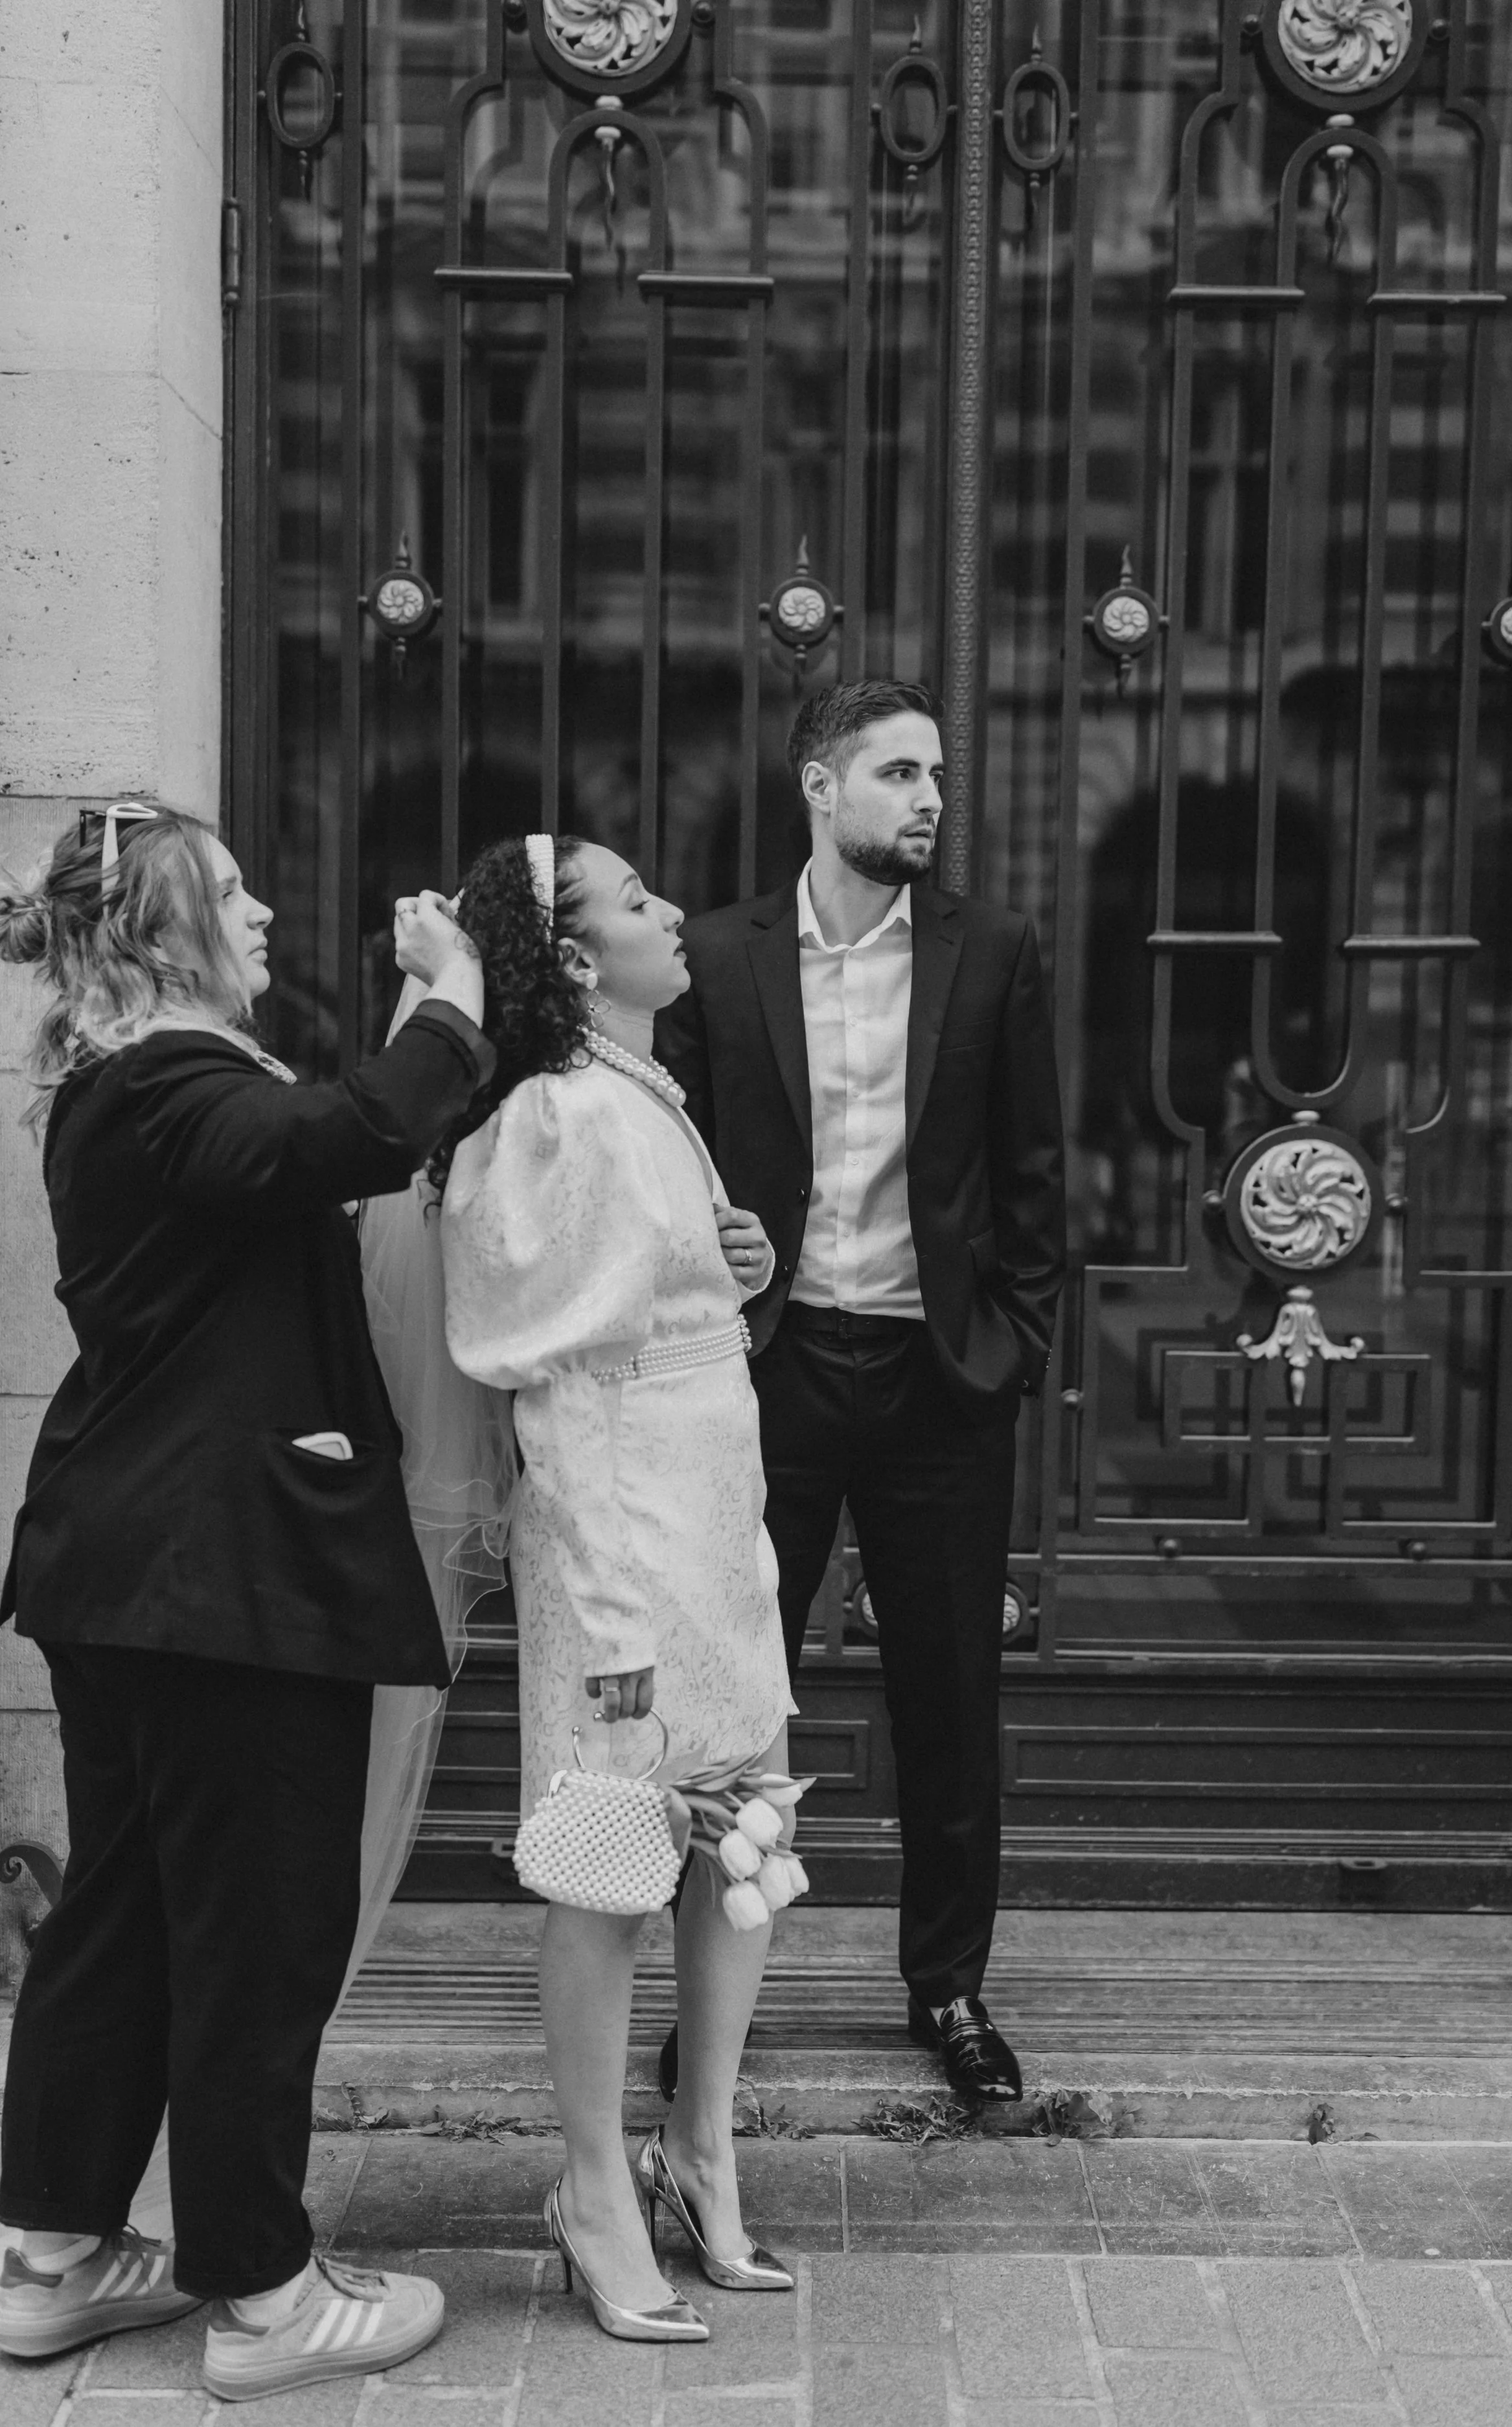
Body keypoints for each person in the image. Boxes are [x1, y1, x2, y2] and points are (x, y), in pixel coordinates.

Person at [0, 804, 494, 2401]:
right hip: (221, 1579)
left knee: (128, 1914)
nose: (266, 911)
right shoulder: (164, 1085)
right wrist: (451, 997)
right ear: (158, 933)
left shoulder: (128, 1085)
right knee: (255, 1932)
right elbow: (339, 1141)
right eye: (232, 893)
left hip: (139, 1567)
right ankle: (269, 2293)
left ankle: (54, 2253)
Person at [656, 680, 1066, 2102]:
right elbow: (674, 1175)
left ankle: (947, 1989)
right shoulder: (716, 959)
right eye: (897, 773)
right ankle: (712, 1985)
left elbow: (1032, 1180)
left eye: (935, 774)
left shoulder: (993, 951)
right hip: (764, 1376)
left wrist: (1007, 1348)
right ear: (819, 789)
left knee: (947, 1696)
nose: (930, 798)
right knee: (727, 1697)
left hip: (937, 1381)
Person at [437, 832, 797, 2345]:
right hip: (620, 1519)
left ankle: (698, 2147)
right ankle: (591, 2186)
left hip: (714, 1502)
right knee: (610, 1842)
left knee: (741, 1812)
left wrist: (744, 1264)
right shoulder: (553, 1111)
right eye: (638, 900)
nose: (671, 914)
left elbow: (670, 1283)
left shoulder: (648, 1093)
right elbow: (519, 1319)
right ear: (577, 964)